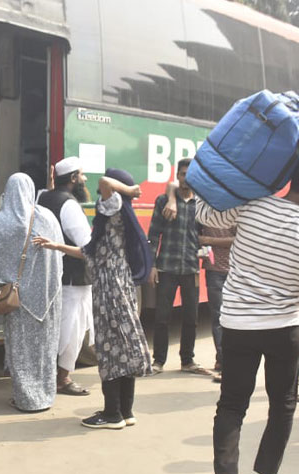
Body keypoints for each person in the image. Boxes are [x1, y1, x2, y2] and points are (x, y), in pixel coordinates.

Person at [198, 148, 299, 474]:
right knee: (282, 403)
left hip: (237, 324)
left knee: (232, 402)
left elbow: (204, 211)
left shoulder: (252, 205)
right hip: (284, 329)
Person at [34, 169, 153, 430]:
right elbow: (88, 253)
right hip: (122, 284)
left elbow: (103, 182)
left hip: (109, 287)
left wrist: (127, 190)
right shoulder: (120, 217)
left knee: (110, 348)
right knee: (123, 347)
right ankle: (126, 411)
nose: (99, 190)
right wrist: (56, 245)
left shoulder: (113, 206)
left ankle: (112, 414)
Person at [0, 173, 63, 412]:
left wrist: (8, 275)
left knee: (21, 348)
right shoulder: (47, 217)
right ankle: (45, 396)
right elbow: (58, 254)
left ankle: (26, 399)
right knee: (45, 348)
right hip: (48, 297)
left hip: (19, 301)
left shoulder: (3, 221)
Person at [38, 156, 93, 396]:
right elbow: (86, 246)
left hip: (48, 276)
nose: (84, 179)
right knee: (72, 328)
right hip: (72, 278)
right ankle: (63, 378)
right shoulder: (69, 205)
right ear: (72, 179)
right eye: (81, 175)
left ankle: (46, 375)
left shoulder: (42, 197)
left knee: (50, 328)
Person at [148, 158, 208, 375]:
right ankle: (158, 361)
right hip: (167, 267)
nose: (185, 178)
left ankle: (187, 361)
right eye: (182, 174)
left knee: (191, 317)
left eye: (189, 175)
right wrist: (152, 265)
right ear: (178, 176)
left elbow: (203, 234)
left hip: (191, 267)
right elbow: (153, 235)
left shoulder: (200, 204)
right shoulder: (163, 201)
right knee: (162, 317)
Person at [199, 223, 235, 379]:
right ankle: (223, 361)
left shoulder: (235, 213)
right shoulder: (204, 216)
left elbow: (237, 240)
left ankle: (228, 361)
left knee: (234, 319)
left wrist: (209, 240)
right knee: (218, 317)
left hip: (234, 271)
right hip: (213, 271)